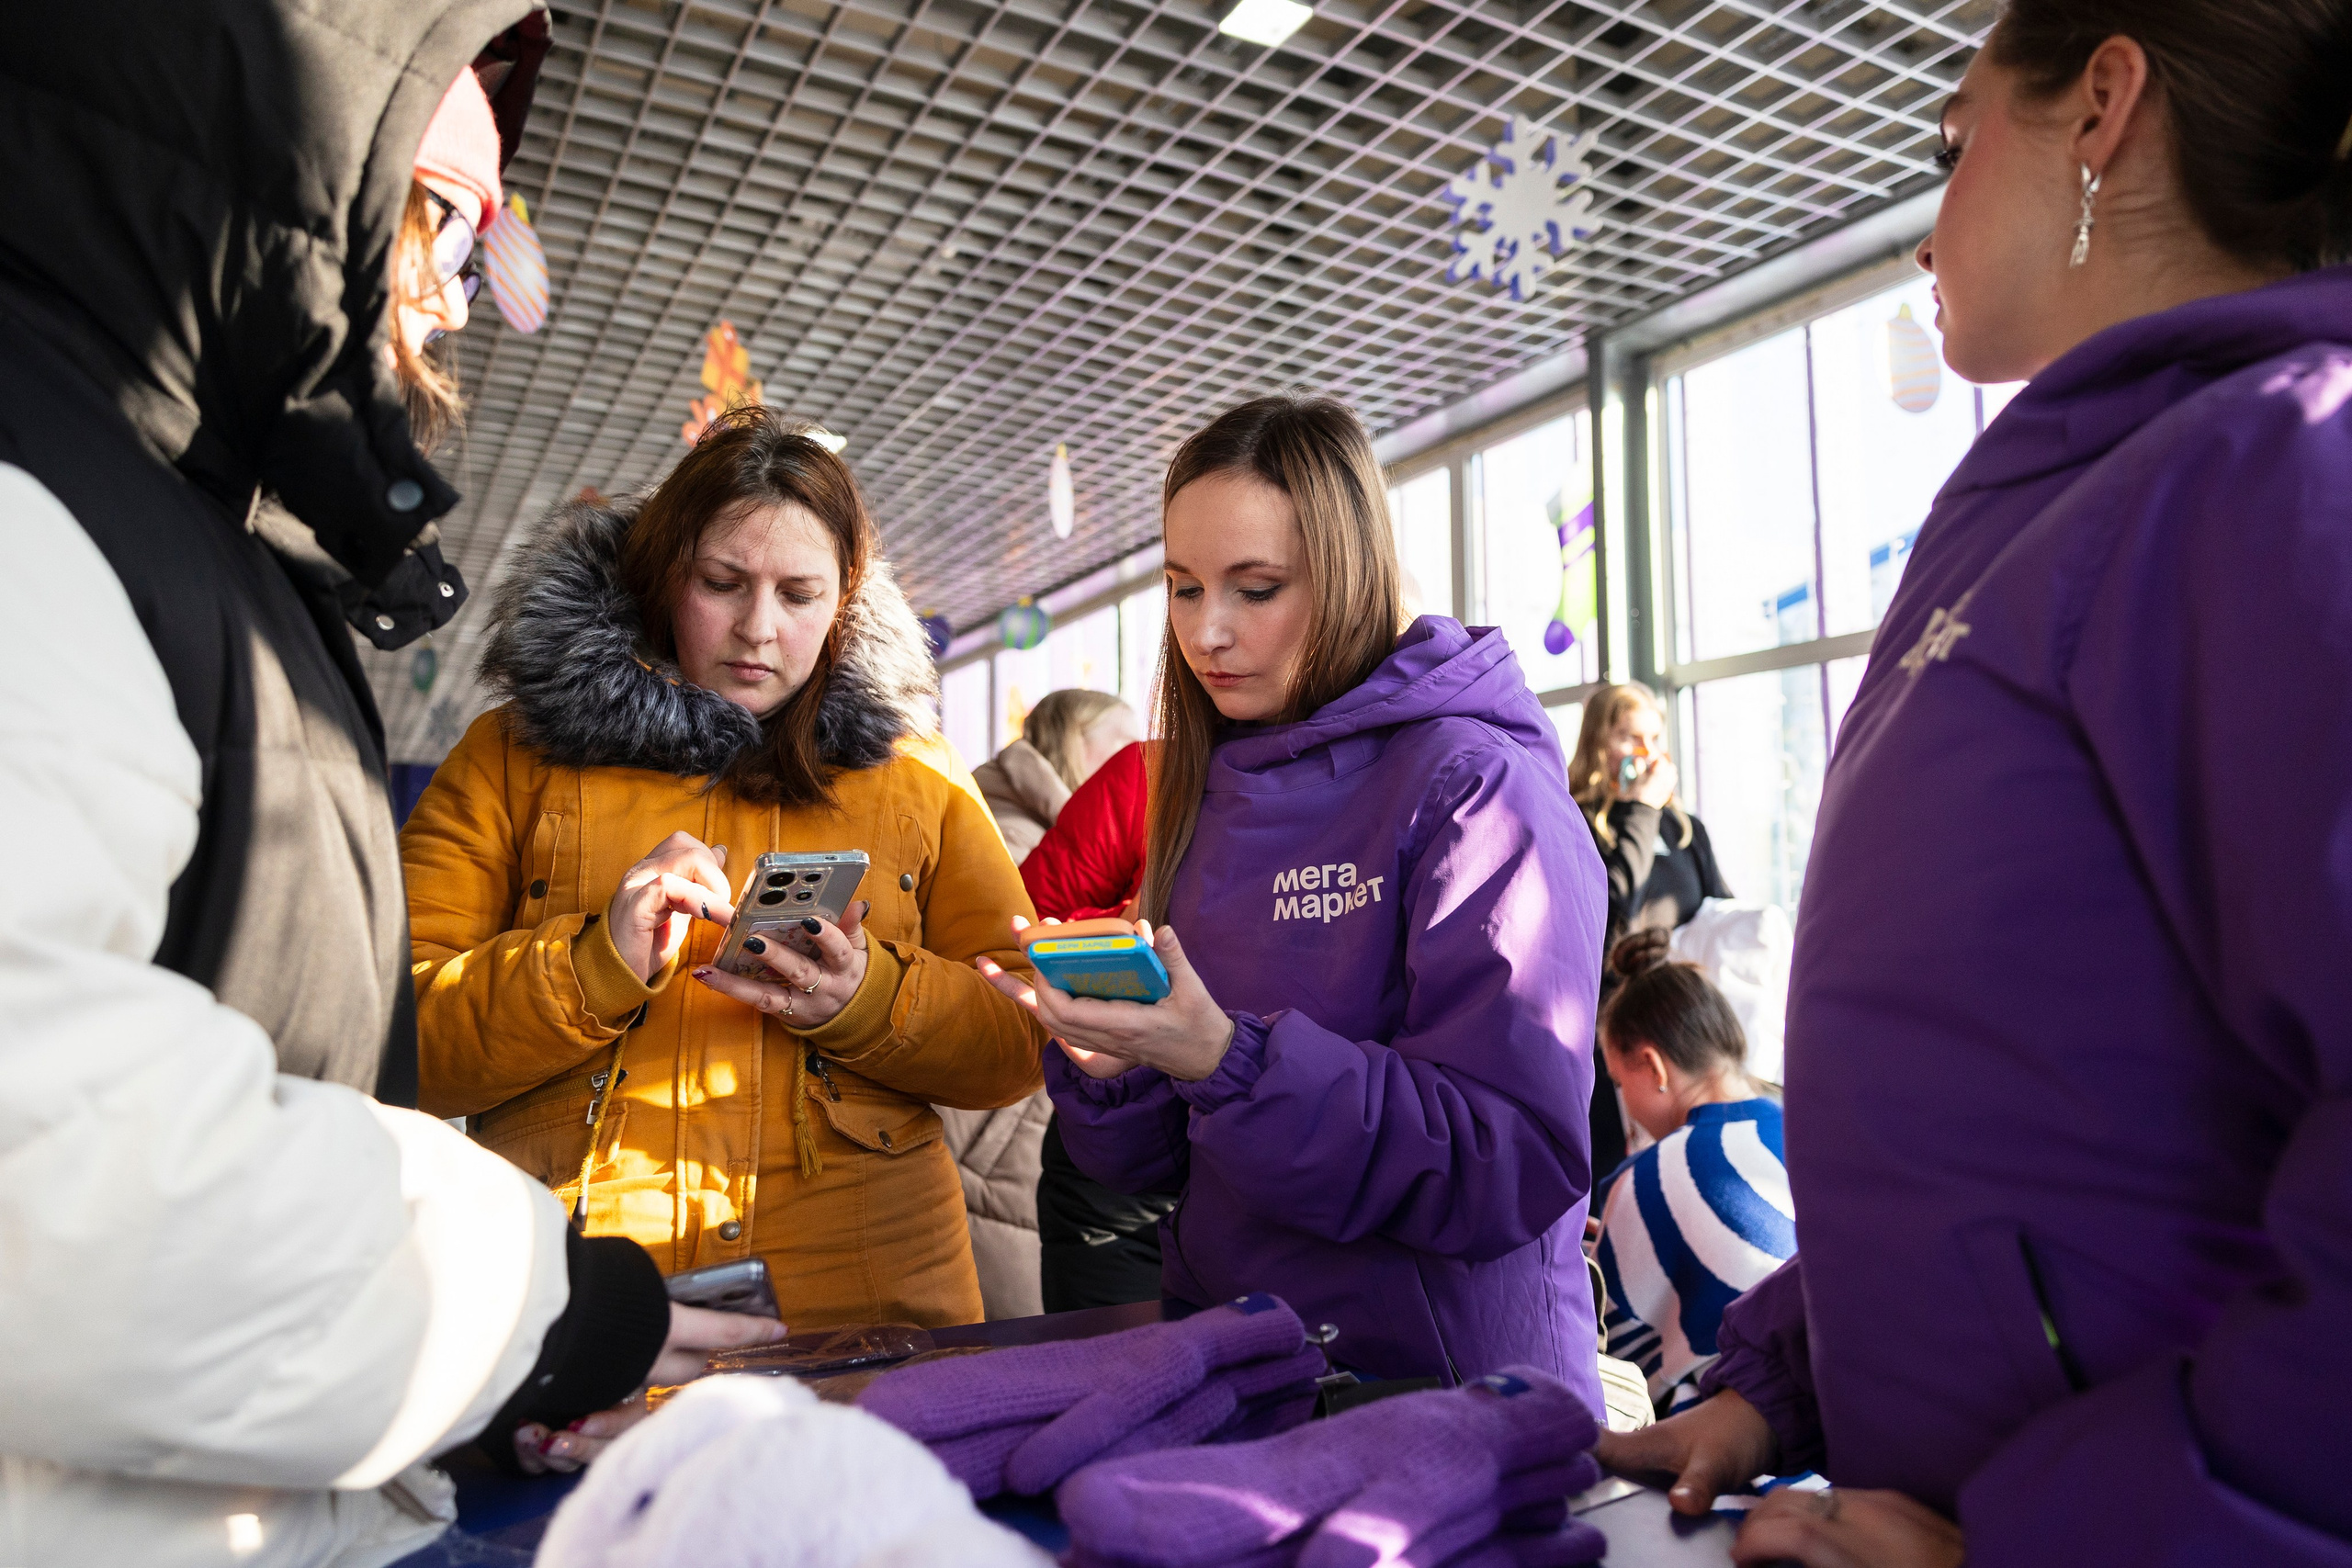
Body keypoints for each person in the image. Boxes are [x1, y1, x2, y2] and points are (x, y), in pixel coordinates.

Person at [0, 10, 775, 1563]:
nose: (454, 301)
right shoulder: (59, 520)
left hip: (361, 1433)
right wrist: (595, 987)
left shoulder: (200, 548)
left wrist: (874, 994)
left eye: (802, 591)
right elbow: (85, 1187)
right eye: (437, 219)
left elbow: (301, 1060)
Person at [1597, 6, 2352, 1565]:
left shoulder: (2278, 475)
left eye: (1950, 149)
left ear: (2103, 107)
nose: (1931, 215)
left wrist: (2095, 1532)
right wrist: (1783, 1381)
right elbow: (2023, 1101)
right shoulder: (2071, 500)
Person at [978, 394, 1609, 1407]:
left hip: (1438, 1395)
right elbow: (1159, 1169)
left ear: (1350, 572)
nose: (1208, 632)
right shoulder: (1205, 782)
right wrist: (1117, 1069)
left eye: (1256, 588)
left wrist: (1223, 1060)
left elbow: (1511, 1161)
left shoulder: (1473, 784)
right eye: (1183, 590)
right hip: (1235, 1368)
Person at [404, 404, 1049, 1349]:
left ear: (845, 600)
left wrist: (864, 997)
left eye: (799, 595)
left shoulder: (917, 774)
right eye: (723, 583)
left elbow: (1017, 1035)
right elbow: (394, 1037)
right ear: (665, 575)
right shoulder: (511, 756)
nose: (758, 629)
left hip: (871, 1306)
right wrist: (594, 965)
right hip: (595, 1301)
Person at [952, 691, 1141, 1319]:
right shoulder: (1012, 824)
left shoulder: (1116, 792)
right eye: (1112, 739)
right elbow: (1015, 930)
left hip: (1059, 1110)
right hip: (1032, 1114)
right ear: (1070, 744)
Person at [1589, 931, 1792, 1416]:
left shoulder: (1649, 1177)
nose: (1627, 1108)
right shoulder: (1807, 1121)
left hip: (1740, 1445)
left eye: (1620, 1084)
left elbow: (1619, 1364)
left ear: (1653, 1066)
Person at [1014, 736, 1170, 1312]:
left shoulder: (1400, 770)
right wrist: (1125, 928)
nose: (1215, 641)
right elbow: (1028, 915)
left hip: (1286, 1136)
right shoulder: (1151, 771)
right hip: (1124, 1124)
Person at [1567, 684, 1732, 1178]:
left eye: (1655, 736)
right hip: (1609, 1037)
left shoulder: (1684, 830)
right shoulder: (1576, 821)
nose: (1646, 750)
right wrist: (1639, 810)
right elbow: (1608, 909)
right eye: (1629, 736)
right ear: (1599, 743)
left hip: (1683, 1027)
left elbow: (1720, 915)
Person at [972, 688, 1143, 864]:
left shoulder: (1028, 821)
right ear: (1072, 741)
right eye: (1128, 745)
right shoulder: (1012, 838)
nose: (1138, 762)